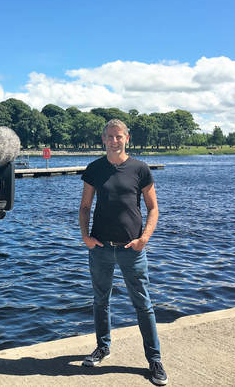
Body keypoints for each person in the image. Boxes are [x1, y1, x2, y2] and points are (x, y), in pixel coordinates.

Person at [78, 119, 168, 385]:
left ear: (127, 138)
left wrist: (144, 239)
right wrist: (85, 236)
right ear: (103, 139)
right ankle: (102, 347)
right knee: (100, 301)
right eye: (110, 136)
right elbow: (85, 206)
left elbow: (153, 208)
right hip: (101, 248)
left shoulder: (140, 169)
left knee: (143, 305)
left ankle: (154, 360)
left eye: (119, 136)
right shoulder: (94, 169)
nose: (114, 141)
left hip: (132, 249)